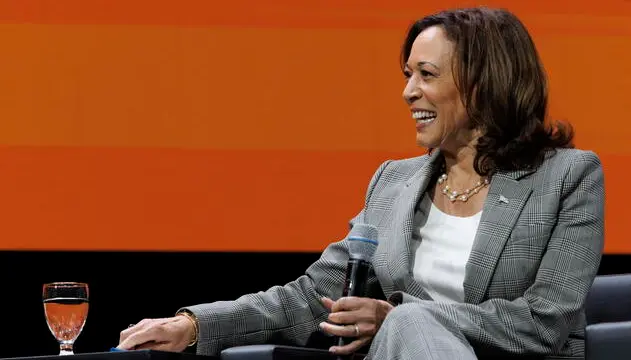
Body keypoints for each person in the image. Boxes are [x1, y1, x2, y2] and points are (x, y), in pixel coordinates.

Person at [117, 7, 604, 360]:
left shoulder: (567, 177)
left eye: (426, 74)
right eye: (407, 74)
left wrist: (400, 317)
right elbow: (312, 299)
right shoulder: (394, 183)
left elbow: (546, 323)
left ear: (483, 82)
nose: (408, 90)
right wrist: (194, 325)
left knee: (412, 320)